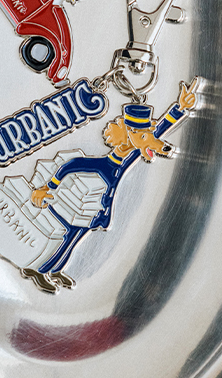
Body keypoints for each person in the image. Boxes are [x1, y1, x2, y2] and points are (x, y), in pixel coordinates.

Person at [21, 79, 199, 292]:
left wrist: (180, 108)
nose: (148, 140)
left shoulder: (127, 159)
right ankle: (41, 270)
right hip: (76, 207)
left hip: (93, 211)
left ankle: (55, 269)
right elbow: (71, 165)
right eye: (142, 135)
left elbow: (156, 134)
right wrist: (48, 187)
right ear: (128, 134)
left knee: (74, 238)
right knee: (67, 237)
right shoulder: (102, 165)